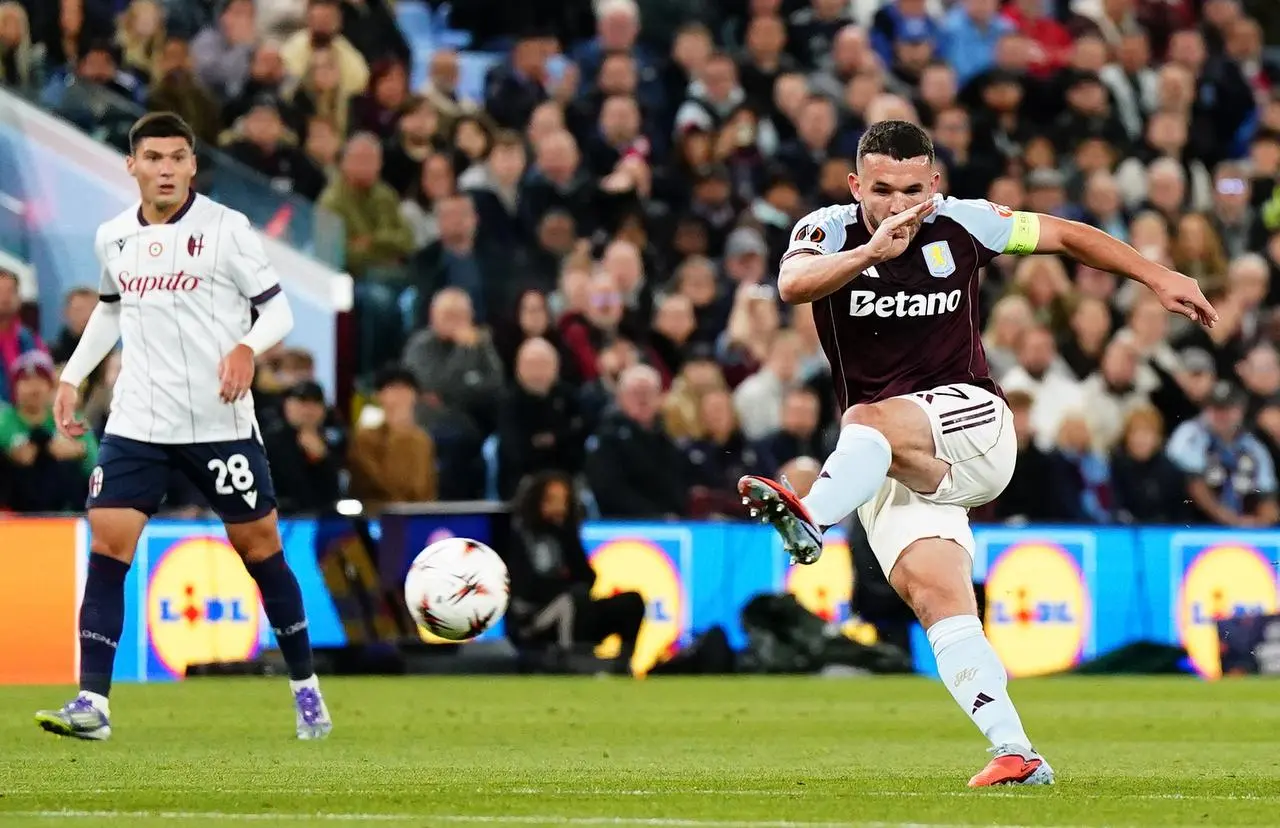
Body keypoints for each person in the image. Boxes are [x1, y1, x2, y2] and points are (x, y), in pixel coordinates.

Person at [738, 120, 1215, 787]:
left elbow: (1066, 235)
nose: (898, 204)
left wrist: (1156, 274)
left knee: (864, 417)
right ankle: (1019, 753)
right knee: (937, 598)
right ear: (855, 186)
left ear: (933, 184)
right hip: (892, 459)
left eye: (912, 189)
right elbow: (793, 286)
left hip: (975, 424)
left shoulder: (966, 224)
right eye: (881, 190)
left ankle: (813, 518)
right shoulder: (827, 231)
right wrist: (869, 252)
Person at [34, 112, 333, 742]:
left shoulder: (227, 229)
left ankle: (306, 688)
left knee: (261, 552)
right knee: (109, 547)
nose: (165, 169)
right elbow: (111, 312)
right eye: (153, 158)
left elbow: (276, 311)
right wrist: (73, 376)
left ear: (193, 165)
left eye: (177, 158)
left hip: (218, 422)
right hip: (138, 420)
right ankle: (93, 703)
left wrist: (247, 347)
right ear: (132, 166)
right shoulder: (113, 236)